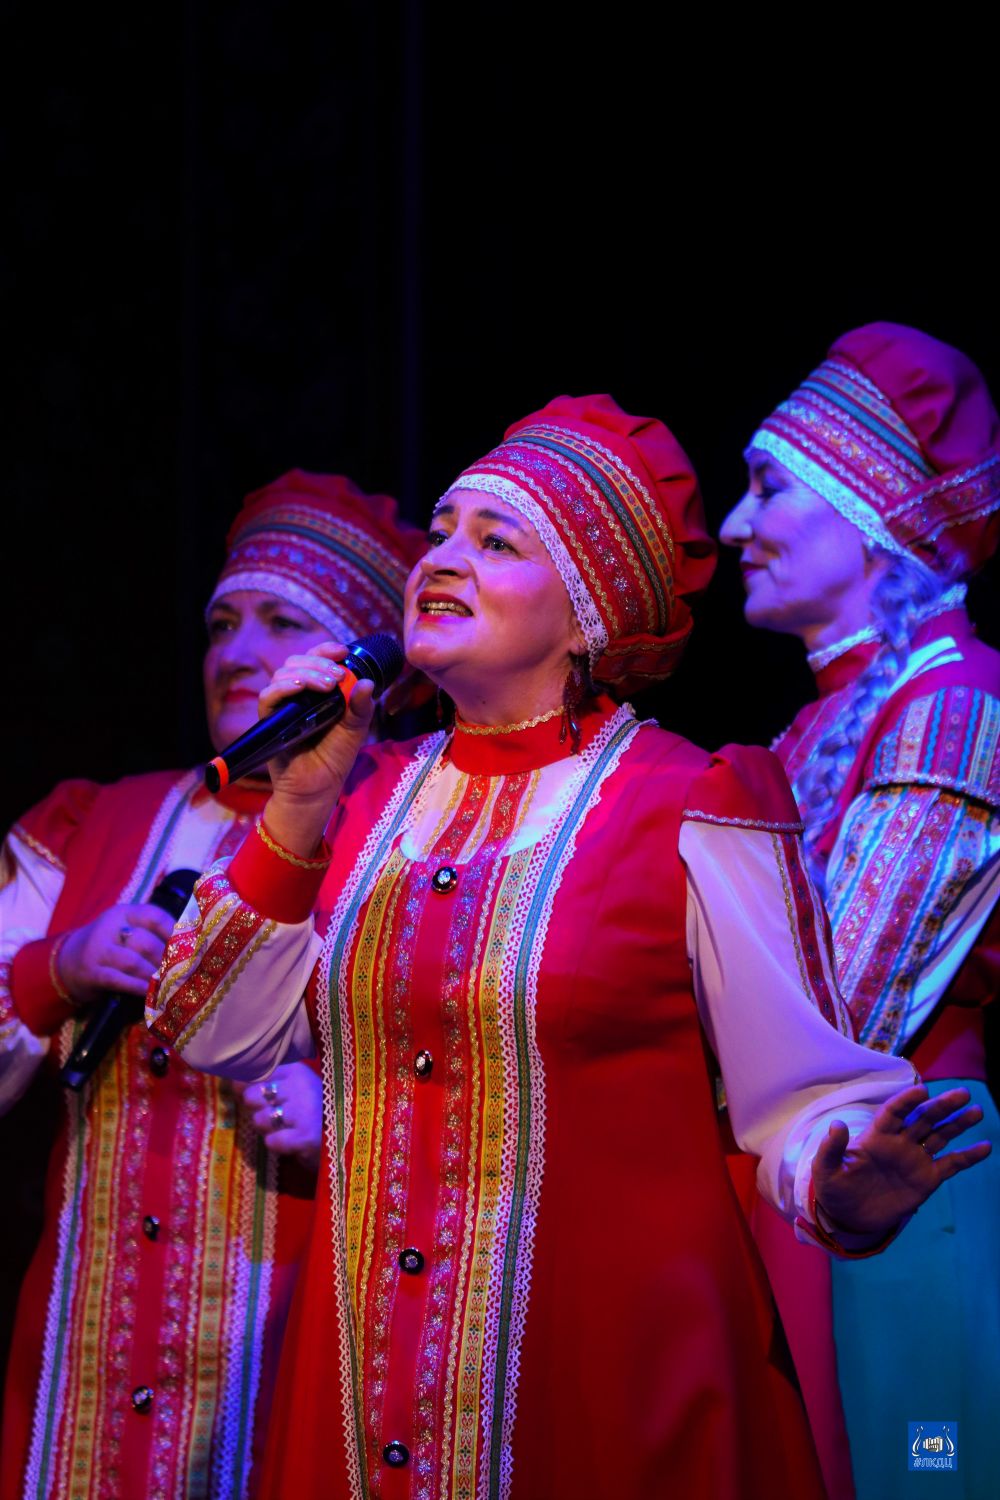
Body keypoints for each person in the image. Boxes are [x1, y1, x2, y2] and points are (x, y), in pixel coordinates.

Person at [148, 396, 989, 1500]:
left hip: (613, 1380)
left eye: (497, 542)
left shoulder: (692, 801)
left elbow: (796, 1092)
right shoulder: (357, 798)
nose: (443, 559)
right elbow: (211, 1030)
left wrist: (844, 1177)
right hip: (363, 1381)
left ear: (589, 611)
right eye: (441, 532)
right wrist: (297, 807)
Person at [0, 470, 424, 1500]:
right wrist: (57, 967)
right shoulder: (90, 824)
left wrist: (345, 1115)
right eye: (222, 624)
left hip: (285, 1342)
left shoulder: (411, 834)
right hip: (85, 1354)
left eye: (283, 622)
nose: (236, 653)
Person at [721, 323, 1000, 1500]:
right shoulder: (811, 727)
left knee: (909, 1470)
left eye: (768, 486)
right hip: (804, 1174)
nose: (734, 526)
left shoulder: (953, 706)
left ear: (873, 510)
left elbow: (843, 1004)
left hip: (898, 1171)